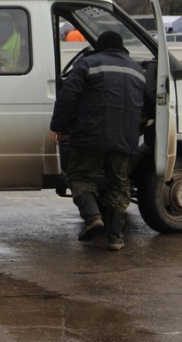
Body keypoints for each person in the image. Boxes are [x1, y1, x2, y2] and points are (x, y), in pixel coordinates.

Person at [49, 31, 145, 251]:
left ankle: (93, 217)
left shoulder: (87, 64)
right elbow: (144, 107)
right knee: (119, 183)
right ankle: (115, 238)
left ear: (100, 47)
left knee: (78, 175)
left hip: (90, 135)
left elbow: (69, 96)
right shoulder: (138, 70)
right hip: (124, 137)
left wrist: (58, 126)